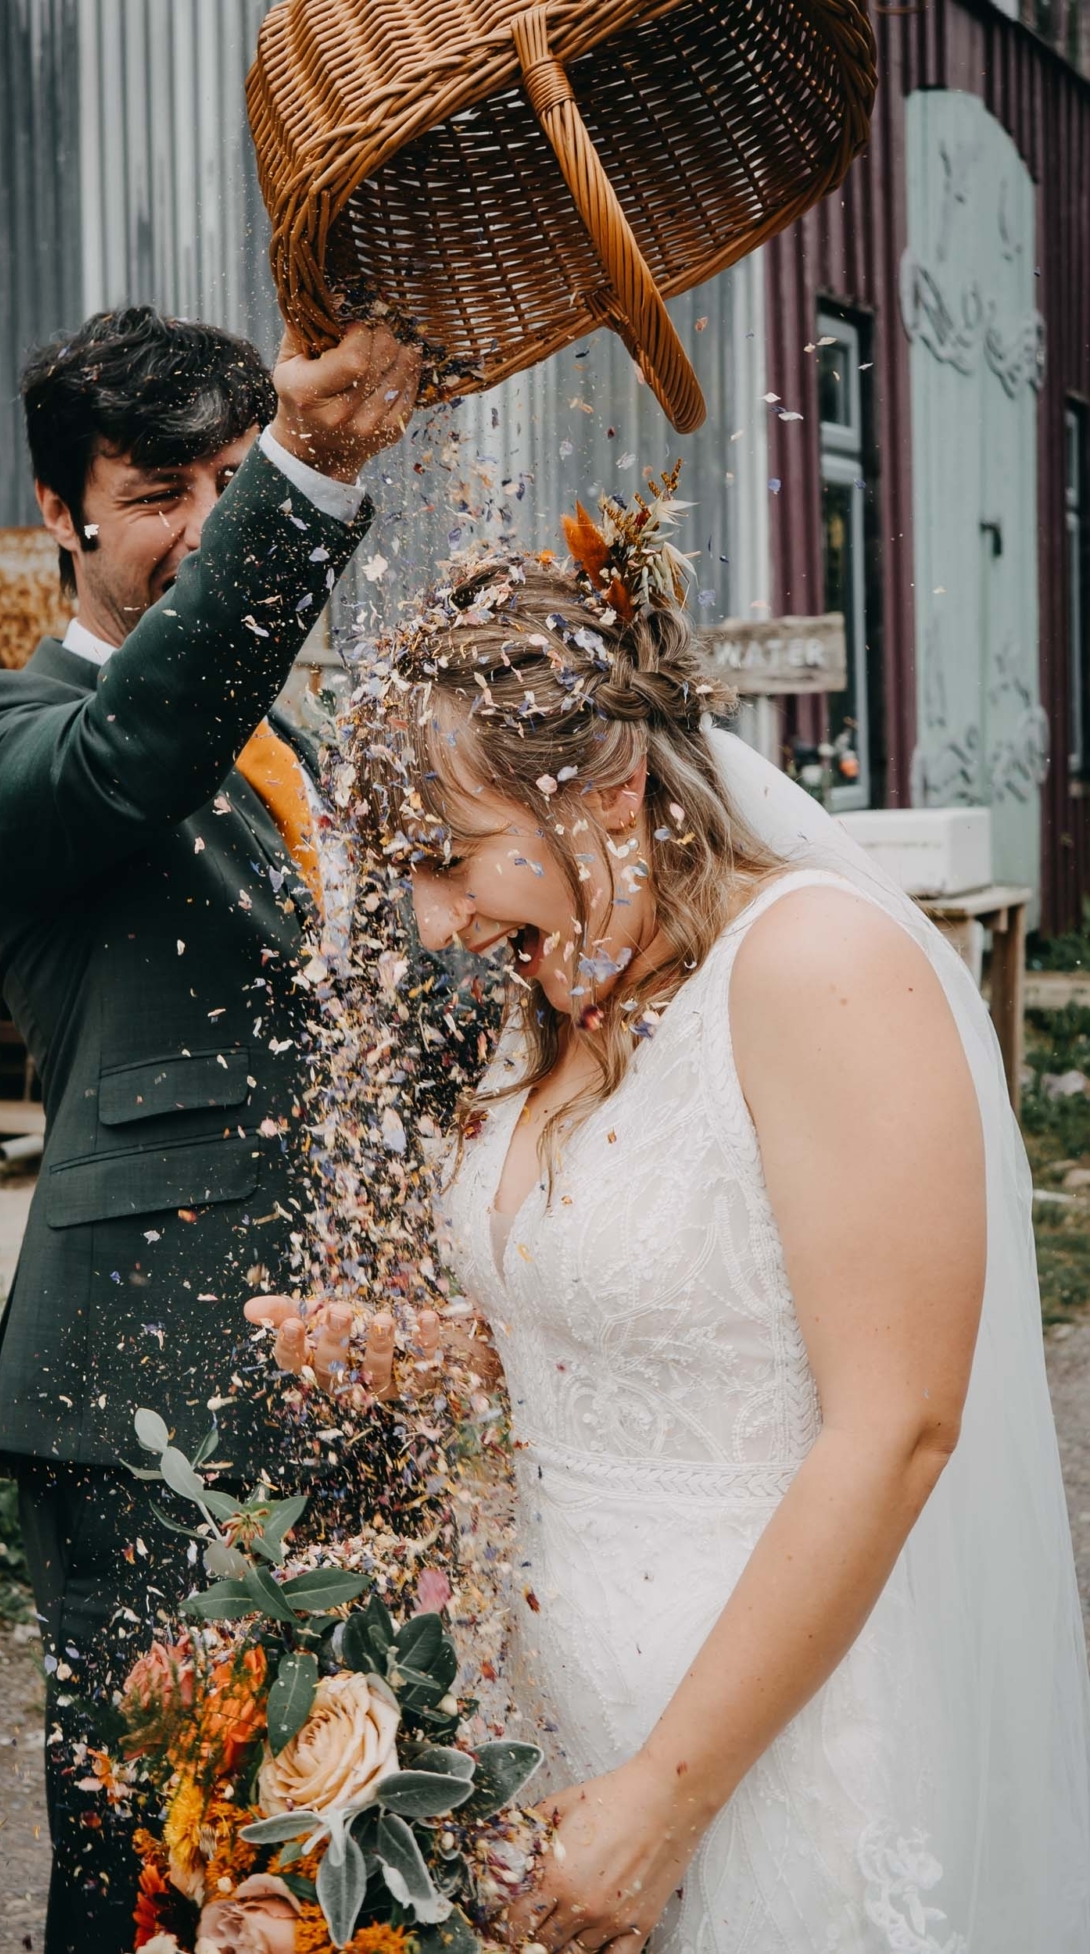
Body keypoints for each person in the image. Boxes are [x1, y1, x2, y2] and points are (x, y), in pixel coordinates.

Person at [259, 488, 1090, 1950]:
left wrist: (665, 1795)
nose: (439, 923)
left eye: (453, 856)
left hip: (764, 1743)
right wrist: (432, 1350)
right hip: (559, 1717)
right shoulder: (553, 998)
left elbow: (895, 1425)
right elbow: (635, 1343)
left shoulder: (815, 968)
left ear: (612, 794)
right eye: (414, 879)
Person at [0, 306, 432, 1951]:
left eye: (228, 476)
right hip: (145, 1399)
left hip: (359, 1375)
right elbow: (140, 754)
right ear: (60, 514)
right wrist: (301, 473)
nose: (205, 525)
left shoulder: (319, 743)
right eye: (160, 492)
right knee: (150, 1873)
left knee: (360, 1853)